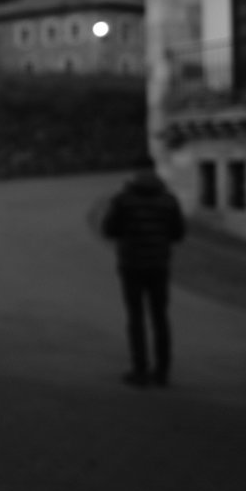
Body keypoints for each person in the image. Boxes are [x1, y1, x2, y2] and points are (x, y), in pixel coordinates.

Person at [100, 153, 186, 388]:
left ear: (134, 172)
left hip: (131, 264)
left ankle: (140, 369)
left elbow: (109, 229)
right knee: (160, 317)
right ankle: (162, 371)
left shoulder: (123, 199)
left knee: (136, 317)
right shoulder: (169, 200)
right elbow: (178, 233)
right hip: (159, 264)